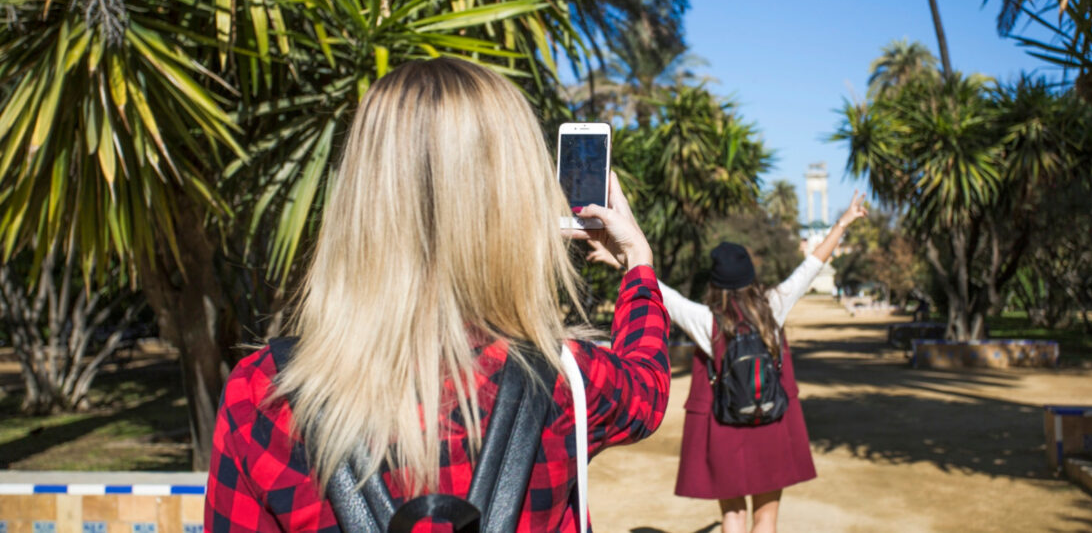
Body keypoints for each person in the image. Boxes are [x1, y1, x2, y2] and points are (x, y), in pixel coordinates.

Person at [204, 57, 670, 532]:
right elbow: (648, 386)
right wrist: (637, 263)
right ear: (514, 199)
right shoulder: (566, 380)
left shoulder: (261, 393)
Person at [587, 192, 867, 533]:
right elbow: (812, 267)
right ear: (750, 276)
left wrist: (621, 260)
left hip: (725, 424)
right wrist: (844, 222)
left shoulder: (707, 321)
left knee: (732, 517)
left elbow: (662, 294)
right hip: (771, 421)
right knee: (766, 519)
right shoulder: (771, 307)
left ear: (715, 282)